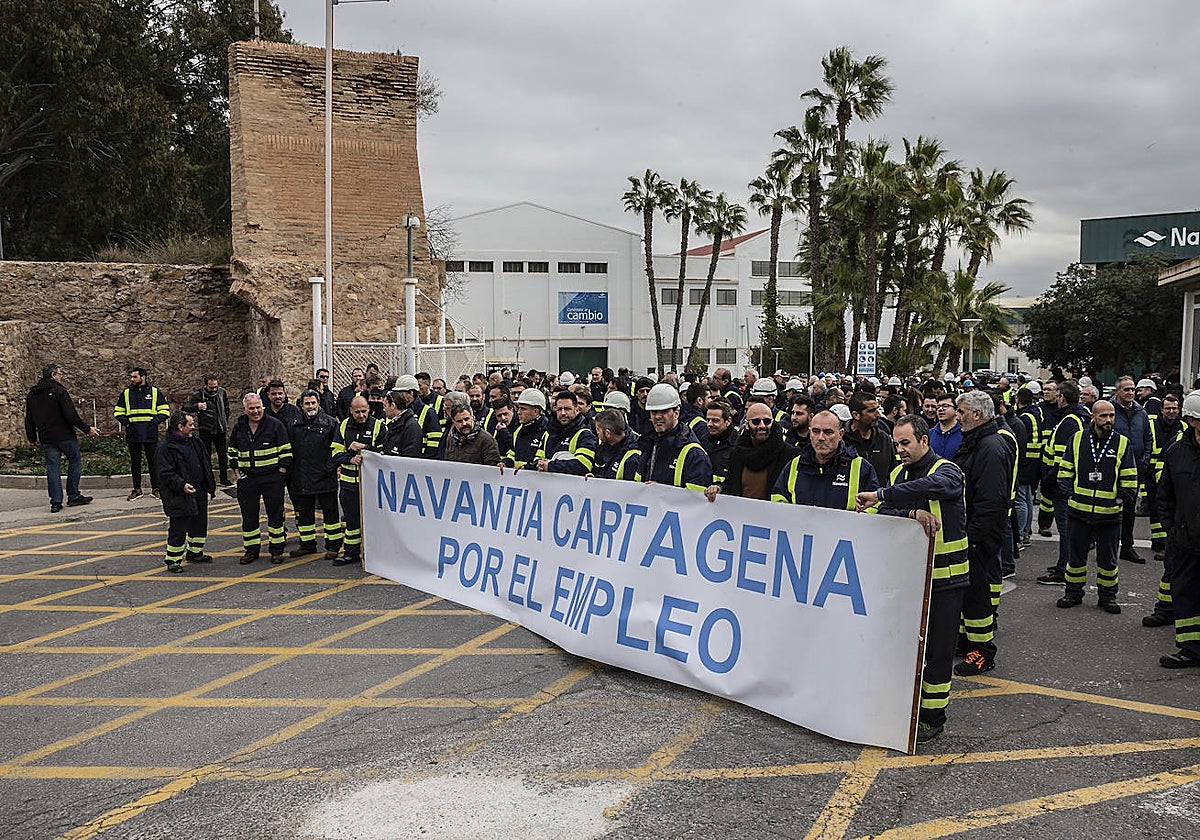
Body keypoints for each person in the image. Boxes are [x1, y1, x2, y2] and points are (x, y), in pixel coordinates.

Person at [855, 414, 968, 745]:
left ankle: (933, 718)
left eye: (905, 443)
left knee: (938, 652)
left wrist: (884, 495)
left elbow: (933, 488)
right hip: (908, 579)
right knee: (901, 649)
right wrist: (908, 513)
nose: (900, 449)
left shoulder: (947, 470)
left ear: (924, 441)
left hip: (945, 580)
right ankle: (902, 710)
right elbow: (882, 516)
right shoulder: (895, 475)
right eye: (896, 443)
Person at [951, 390, 1017, 675]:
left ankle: (983, 653)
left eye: (962, 411)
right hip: (971, 533)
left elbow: (992, 500)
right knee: (968, 596)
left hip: (978, 537)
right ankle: (967, 642)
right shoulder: (976, 441)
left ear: (977, 415)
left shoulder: (990, 447)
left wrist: (973, 538)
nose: (957, 415)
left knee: (978, 600)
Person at [1055, 399, 1137, 614]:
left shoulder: (1122, 443)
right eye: (1103, 416)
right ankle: (1073, 593)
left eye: (1111, 415)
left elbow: (1129, 479)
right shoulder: (1077, 439)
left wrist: (1119, 501)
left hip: (1109, 516)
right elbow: (1064, 471)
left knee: (1108, 561)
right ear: (1093, 417)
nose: (1109, 420)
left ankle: (1107, 597)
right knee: (1075, 559)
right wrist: (1069, 494)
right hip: (1078, 512)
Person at [1155, 391, 1200, 667]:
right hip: (1185, 540)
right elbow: (1165, 496)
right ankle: (1190, 649)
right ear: (1192, 420)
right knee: (1184, 595)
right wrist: (1173, 529)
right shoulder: (1176, 452)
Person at [24, 363, 98, 512]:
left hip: (47, 437)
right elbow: (71, 415)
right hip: (65, 436)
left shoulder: (33, 394)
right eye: (59, 374)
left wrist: (32, 438)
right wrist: (87, 429)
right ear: (53, 375)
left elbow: (29, 418)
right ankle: (73, 495)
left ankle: (56, 502)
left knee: (52, 468)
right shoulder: (59, 391)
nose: (60, 376)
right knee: (75, 461)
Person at [1036, 381, 1091, 585]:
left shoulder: (1069, 421)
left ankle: (1064, 570)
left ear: (1062, 398)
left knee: (1066, 530)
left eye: (1058, 395)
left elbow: (1061, 458)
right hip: (1065, 484)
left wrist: (1050, 481)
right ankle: (1064, 563)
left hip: (1061, 486)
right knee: (1068, 530)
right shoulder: (1075, 417)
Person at [228, 393, 292, 564]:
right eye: (251, 408)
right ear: (245, 409)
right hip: (248, 478)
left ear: (262, 406)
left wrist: (281, 471)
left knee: (276, 515)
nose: (255, 411)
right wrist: (236, 472)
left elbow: (286, 450)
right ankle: (251, 550)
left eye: (258, 408)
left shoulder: (274, 424)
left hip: (272, 477)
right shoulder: (239, 426)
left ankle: (277, 550)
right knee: (249, 516)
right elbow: (232, 449)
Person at [770, 409, 878, 509]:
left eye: (828, 432)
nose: (821, 438)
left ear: (840, 435)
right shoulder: (795, 465)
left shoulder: (861, 468)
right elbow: (778, 498)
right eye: (816, 431)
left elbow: (875, 505)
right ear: (809, 432)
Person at [156, 410, 215, 572]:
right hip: (179, 493)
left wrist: (209, 483)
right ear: (180, 427)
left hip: (199, 489)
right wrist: (181, 485)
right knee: (179, 527)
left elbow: (204, 462)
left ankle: (195, 553)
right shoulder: (166, 447)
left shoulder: (194, 442)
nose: (193, 427)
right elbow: (165, 473)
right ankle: (173, 559)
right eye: (190, 424)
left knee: (200, 523)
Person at [287, 390, 342, 560]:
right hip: (301, 476)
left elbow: (337, 450)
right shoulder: (293, 424)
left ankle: (333, 546)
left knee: (330, 513)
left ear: (318, 403)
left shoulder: (331, 423)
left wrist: (329, 469)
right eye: (307, 403)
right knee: (304, 514)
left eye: (313, 403)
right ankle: (307, 545)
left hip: (325, 476)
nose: (310, 406)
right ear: (301, 405)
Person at [331, 396, 385, 566]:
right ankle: (351, 553)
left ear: (369, 409)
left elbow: (384, 452)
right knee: (351, 521)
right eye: (358, 412)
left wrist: (365, 448)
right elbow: (335, 453)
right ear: (351, 411)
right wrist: (349, 458)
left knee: (373, 521)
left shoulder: (378, 426)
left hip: (371, 485)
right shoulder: (344, 426)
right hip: (349, 484)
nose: (362, 415)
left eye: (364, 411)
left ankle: (374, 553)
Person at [706, 403, 796, 501]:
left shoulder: (788, 455)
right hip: (741, 513)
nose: (762, 426)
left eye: (767, 421)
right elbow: (731, 484)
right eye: (756, 421)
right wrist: (719, 488)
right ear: (746, 425)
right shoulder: (737, 452)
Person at [633, 384, 712, 490]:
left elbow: (696, 501)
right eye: (654, 412)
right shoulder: (649, 444)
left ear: (676, 413)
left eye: (664, 411)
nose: (657, 416)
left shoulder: (695, 455)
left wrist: (661, 491)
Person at [1112, 375, 1153, 564]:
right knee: (1110, 509)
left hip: (1134, 468)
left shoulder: (1141, 412)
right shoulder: (1109, 410)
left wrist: (1144, 460)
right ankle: (1107, 545)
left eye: (1132, 389)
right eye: (1126, 389)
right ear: (1117, 391)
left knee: (1129, 509)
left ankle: (1127, 546)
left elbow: (1148, 439)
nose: (1130, 393)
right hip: (1112, 468)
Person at [115, 367, 170, 500]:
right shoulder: (126, 393)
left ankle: (156, 488)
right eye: (132, 377)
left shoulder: (156, 392)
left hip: (150, 433)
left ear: (143, 377)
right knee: (135, 462)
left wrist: (153, 423)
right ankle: (136, 489)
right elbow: (118, 412)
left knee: (153, 462)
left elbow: (165, 411)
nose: (132, 379)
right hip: (133, 433)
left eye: (135, 377)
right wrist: (127, 423)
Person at [183, 375, 232, 486]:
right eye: (211, 387)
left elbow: (226, 406)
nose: (214, 389)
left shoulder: (222, 392)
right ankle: (209, 479)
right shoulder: (199, 394)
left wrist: (225, 420)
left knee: (222, 454)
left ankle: (224, 478)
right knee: (206, 455)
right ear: (205, 385)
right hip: (206, 428)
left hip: (220, 428)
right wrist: (197, 406)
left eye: (215, 386)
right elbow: (186, 407)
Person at [534, 391, 597, 475]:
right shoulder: (548, 433)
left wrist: (550, 466)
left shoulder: (585, 435)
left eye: (567, 409)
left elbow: (584, 465)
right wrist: (529, 467)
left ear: (577, 410)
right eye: (559, 409)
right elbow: (538, 459)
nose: (563, 413)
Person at [843, 390, 897, 487]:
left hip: (880, 499)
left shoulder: (884, 439)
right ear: (856, 415)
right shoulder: (841, 440)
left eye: (877, 409)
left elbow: (893, 472)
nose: (878, 415)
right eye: (872, 411)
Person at [503, 389, 549, 470]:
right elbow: (512, 454)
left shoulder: (547, 432)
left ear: (536, 411)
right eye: (518, 408)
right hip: (518, 480)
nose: (519, 412)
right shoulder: (518, 431)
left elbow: (542, 460)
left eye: (523, 409)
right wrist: (505, 463)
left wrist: (527, 468)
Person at [591, 409, 641, 480]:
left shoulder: (632, 458)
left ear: (608, 433)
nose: (597, 433)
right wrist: (595, 479)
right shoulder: (605, 446)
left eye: (598, 429)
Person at [381, 382, 424, 458]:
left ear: (393, 405)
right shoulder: (396, 424)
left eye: (385, 406)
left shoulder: (411, 427)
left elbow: (411, 456)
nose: (384, 410)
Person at [702, 398, 738, 486]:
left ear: (728, 421)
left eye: (715, 420)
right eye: (708, 420)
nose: (709, 424)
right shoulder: (703, 441)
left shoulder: (738, 445)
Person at [929, 393, 962, 459]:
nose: (941, 409)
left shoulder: (964, 434)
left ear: (956, 410)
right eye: (938, 407)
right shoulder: (930, 434)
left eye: (945, 406)